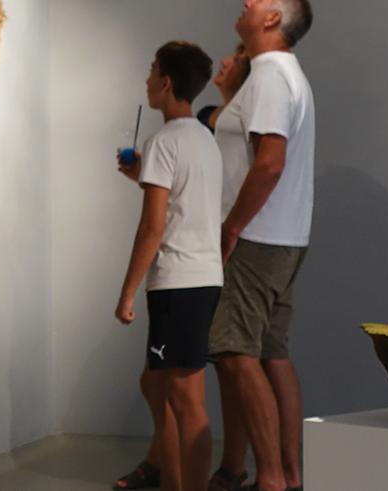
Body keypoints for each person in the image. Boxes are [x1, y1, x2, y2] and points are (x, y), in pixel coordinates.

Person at [113, 44, 251, 491]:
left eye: (152, 70)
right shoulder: (204, 140)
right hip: (204, 279)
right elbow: (186, 199)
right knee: (159, 386)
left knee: (186, 401)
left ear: (166, 82)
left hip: (177, 284)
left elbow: (152, 228)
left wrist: (127, 292)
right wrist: (146, 175)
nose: (147, 79)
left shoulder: (163, 142)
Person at [209, 0, 314, 491]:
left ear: (273, 19)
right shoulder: (282, 74)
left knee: (234, 351)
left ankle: (271, 478)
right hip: (283, 235)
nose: (248, 1)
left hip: (256, 236)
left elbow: (270, 163)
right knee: (271, 353)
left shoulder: (271, 74)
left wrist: (231, 226)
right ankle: (288, 477)